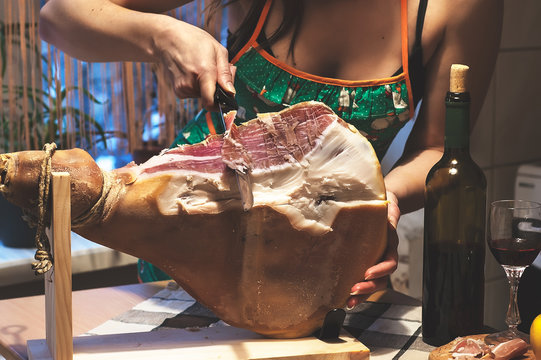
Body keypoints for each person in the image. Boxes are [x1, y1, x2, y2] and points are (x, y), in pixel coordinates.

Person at [39, 0, 503, 309]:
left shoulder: (457, 7)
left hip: (316, 260)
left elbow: (437, 151)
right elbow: (58, 17)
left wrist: (382, 203)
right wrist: (159, 35)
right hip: (187, 238)